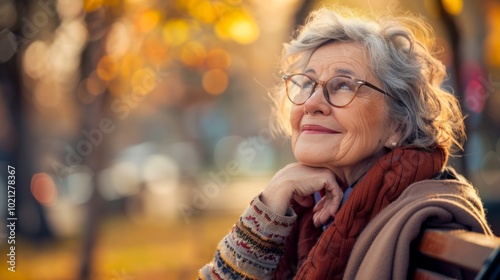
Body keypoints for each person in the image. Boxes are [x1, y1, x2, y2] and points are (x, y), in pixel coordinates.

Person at [199, 6, 493, 280]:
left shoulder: (431, 221)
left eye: (343, 85)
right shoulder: (303, 210)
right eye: (306, 83)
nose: (312, 102)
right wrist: (272, 200)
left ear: (399, 124)